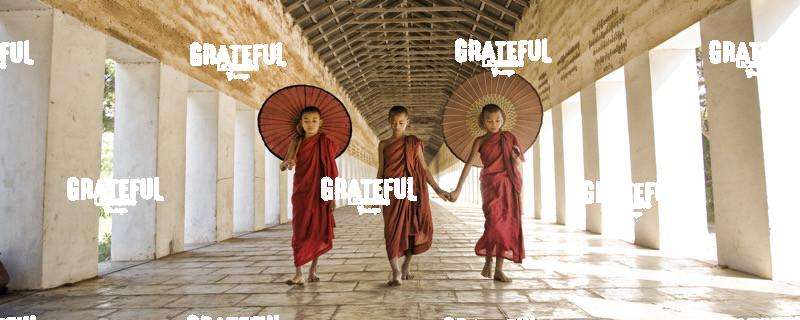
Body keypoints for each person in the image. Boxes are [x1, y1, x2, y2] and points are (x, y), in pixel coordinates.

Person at [447, 104, 524, 282]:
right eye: (489, 121)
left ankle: (498, 269)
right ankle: (488, 259)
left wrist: (516, 158)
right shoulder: (480, 141)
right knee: (493, 224)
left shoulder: (510, 138)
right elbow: (468, 165)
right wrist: (458, 189)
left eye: (498, 120)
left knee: (505, 227)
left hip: (508, 186)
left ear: (503, 118)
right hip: (490, 185)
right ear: (482, 122)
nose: (494, 124)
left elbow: (519, 164)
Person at [377, 105, 449, 286]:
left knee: (411, 229)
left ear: (408, 122)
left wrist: (437, 189)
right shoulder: (383, 144)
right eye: (393, 122)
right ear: (388, 122)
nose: (397, 126)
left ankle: (406, 266)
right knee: (391, 230)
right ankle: (395, 271)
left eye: (401, 122)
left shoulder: (413, 142)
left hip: (411, 191)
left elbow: (423, 168)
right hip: (391, 191)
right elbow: (381, 170)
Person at [281, 106, 339, 285]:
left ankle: (313, 270)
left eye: (314, 120)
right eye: (306, 120)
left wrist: (332, 196)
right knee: (299, 230)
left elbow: (331, 170)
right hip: (302, 192)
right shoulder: (296, 141)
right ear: (301, 123)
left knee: (317, 229)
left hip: (321, 193)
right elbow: (284, 165)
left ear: (320, 122)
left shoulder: (325, 142)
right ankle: (299, 272)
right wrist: (287, 163)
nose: (310, 124)